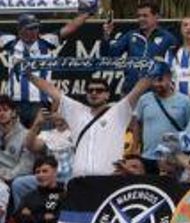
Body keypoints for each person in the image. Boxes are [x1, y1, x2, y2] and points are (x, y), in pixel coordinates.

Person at [26, 70, 154, 178]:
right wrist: (28, 75)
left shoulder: (118, 111)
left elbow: (138, 90)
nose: (94, 93)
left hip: (109, 180)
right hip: (80, 181)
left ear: (107, 95)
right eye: (90, 90)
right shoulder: (77, 111)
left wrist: (153, 72)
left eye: (99, 90)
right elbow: (51, 91)